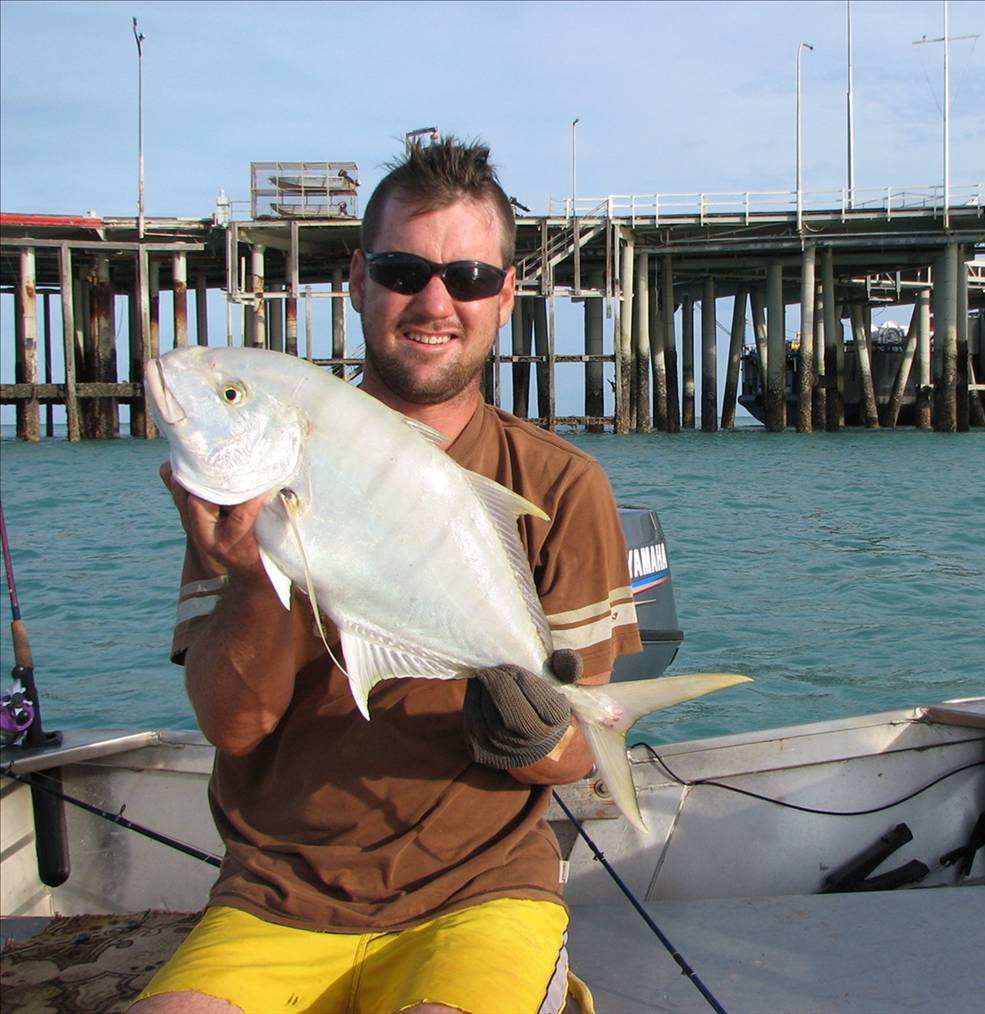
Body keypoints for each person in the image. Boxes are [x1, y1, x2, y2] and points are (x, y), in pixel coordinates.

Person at [133, 136, 641, 1014]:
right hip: (271, 897)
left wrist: (531, 728)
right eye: (405, 272)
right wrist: (252, 577)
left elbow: (567, 758)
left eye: (469, 278)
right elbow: (234, 726)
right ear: (360, 280)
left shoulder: (559, 487)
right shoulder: (247, 484)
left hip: (483, 894)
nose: (436, 302)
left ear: (505, 296)